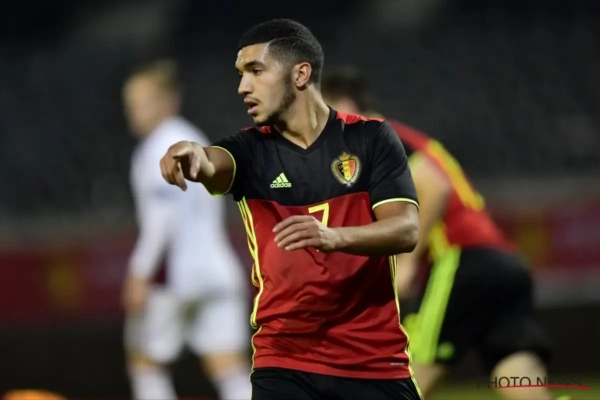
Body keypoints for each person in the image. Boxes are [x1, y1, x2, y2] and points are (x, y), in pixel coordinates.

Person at [159, 19, 423, 400]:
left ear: (300, 74)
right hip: (285, 363)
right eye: (240, 74)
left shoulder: (371, 138)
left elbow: (406, 230)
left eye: (255, 70)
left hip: (374, 361)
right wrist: (193, 156)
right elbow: (213, 164)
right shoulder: (250, 151)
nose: (242, 87)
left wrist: (334, 237)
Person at [321, 66, 559, 400]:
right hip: (503, 263)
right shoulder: (395, 138)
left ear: (343, 105)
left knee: (403, 376)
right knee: (516, 371)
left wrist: (406, 263)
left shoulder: (370, 135)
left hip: (461, 260)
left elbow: (434, 185)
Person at [122, 60, 252, 400]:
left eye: (141, 102)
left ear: (167, 101)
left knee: (145, 364)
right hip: (218, 271)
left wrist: (139, 272)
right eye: (130, 104)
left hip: (177, 277)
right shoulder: (194, 137)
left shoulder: (157, 148)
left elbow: (162, 218)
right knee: (229, 370)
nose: (133, 111)